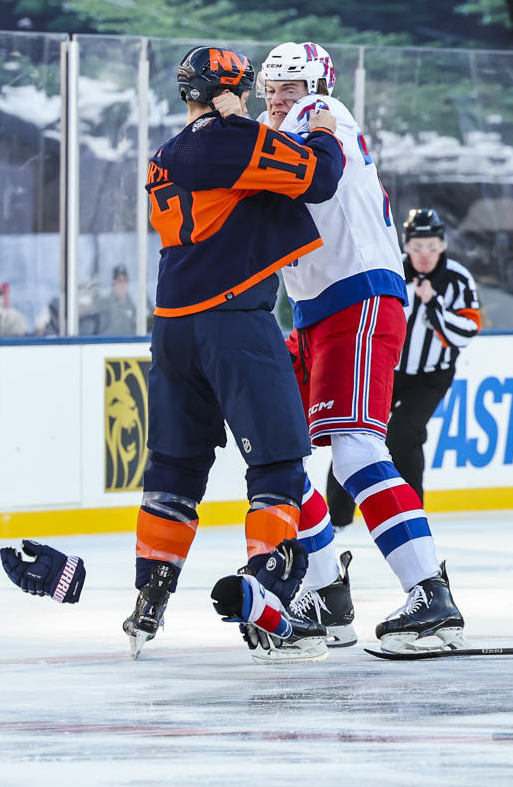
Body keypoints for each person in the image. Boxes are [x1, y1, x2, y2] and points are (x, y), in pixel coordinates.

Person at [122, 44, 343, 659]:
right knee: (277, 466)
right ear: (227, 90)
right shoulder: (232, 140)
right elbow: (320, 176)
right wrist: (320, 129)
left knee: (175, 468)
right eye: (245, 88)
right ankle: (267, 597)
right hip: (234, 322)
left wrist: (245, 126)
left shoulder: (166, 154)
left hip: (172, 326)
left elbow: (243, 192)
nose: (253, 96)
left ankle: (149, 600)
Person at [256, 46, 467, 654]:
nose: (278, 97)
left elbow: (281, 166)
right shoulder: (293, 120)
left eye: (289, 85)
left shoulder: (319, 112)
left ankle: (429, 589)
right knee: (280, 456)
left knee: (353, 452)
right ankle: (326, 592)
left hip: (357, 298)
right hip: (319, 307)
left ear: (316, 83)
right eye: (271, 88)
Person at [329, 207, 480, 521]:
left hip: (432, 376)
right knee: (356, 431)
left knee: (403, 435)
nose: (424, 254)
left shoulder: (458, 280)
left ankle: (411, 514)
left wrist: (433, 304)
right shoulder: (391, 269)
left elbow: (466, 332)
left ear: (442, 245)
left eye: (432, 247)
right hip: (387, 369)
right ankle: (338, 516)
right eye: (417, 247)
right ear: (406, 244)